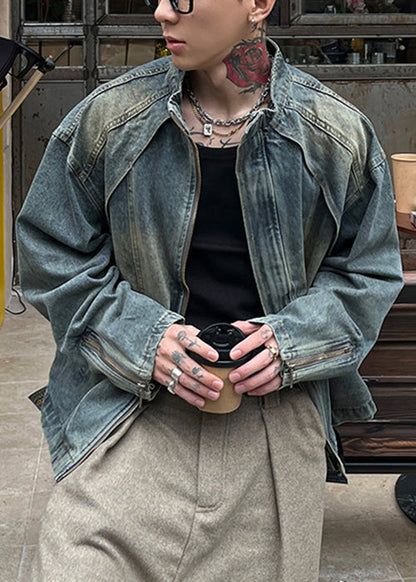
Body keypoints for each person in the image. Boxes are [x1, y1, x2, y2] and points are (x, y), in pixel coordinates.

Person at [17, 0, 403, 580]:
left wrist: (291, 343)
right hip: (129, 409)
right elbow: (51, 254)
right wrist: (144, 339)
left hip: (273, 419)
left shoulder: (333, 134)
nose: (162, 13)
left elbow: (367, 273)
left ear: (259, 4)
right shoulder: (111, 120)